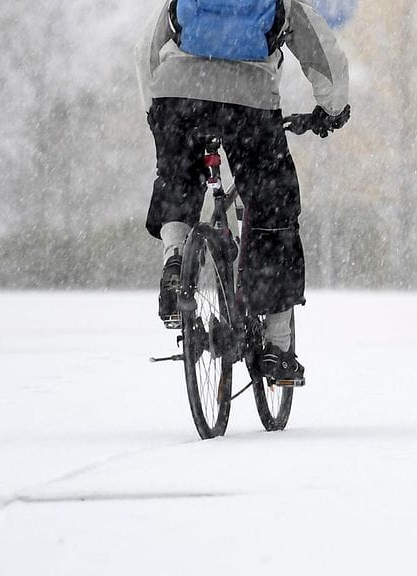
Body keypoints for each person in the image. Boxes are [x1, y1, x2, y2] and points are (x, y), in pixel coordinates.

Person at [135, 0, 351, 385]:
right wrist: (331, 109)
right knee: (274, 210)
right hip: (249, 101)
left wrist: (156, 112)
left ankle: (175, 259)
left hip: (178, 94)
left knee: (177, 179)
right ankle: (277, 348)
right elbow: (322, 52)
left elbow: (146, 50)